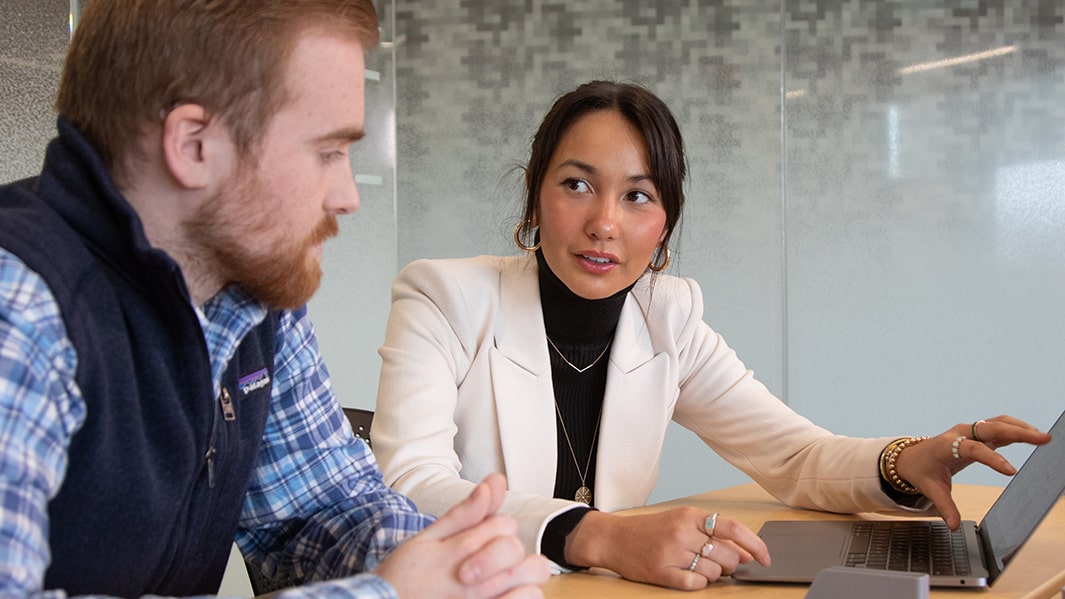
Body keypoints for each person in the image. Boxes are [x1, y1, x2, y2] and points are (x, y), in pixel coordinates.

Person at [371, 80, 1052, 592]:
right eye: (577, 184)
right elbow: (407, 485)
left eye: (637, 196)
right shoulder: (444, 295)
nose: (604, 222)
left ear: (664, 221)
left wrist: (902, 461)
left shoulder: (668, 317)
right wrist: (599, 533)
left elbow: (792, 454)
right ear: (534, 195)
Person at [0, 1, 551, 597]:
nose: (347, 196)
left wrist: (457, 567)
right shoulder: (19, 301)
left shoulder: (251, 293)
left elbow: (318, 509)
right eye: (327, 152)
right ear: (193, 145)